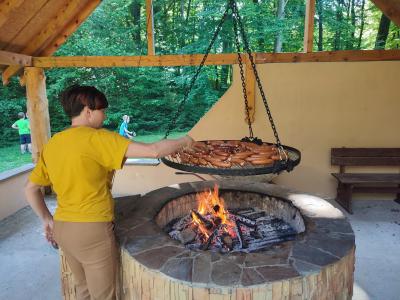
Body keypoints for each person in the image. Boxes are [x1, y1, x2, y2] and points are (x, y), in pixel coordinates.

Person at [24, 85, 193, 300]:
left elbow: (30, 189)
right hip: (92, 230)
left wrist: (47, 219)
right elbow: (153, 151)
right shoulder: (98, 138)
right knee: (104, 296)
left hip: (63, 228)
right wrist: (185, 141)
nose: (104, 115)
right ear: (87, 111)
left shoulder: (54, 143)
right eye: (102, 110)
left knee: (83, 290)